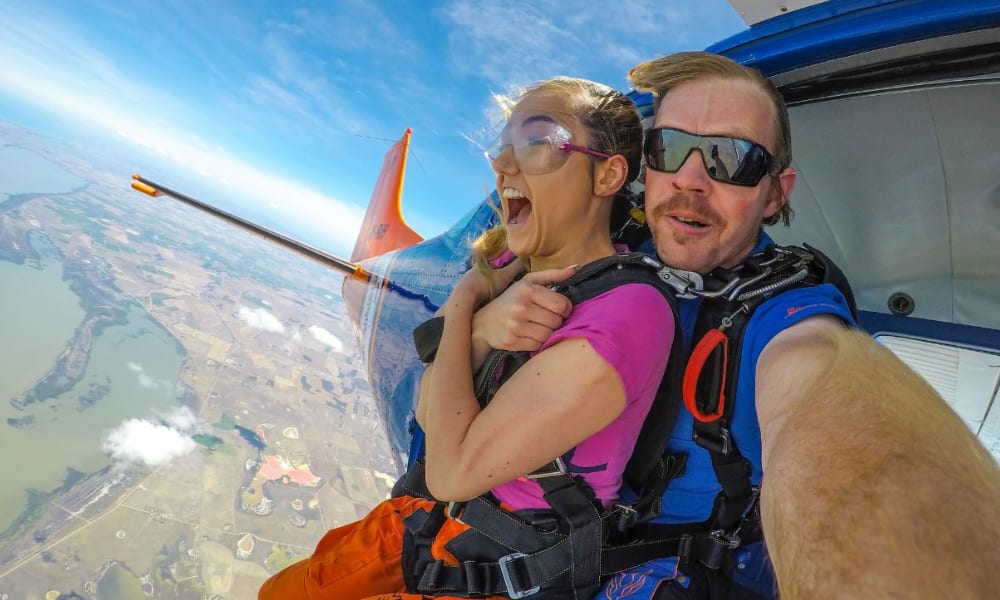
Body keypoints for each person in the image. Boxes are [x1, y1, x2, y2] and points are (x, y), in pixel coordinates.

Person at [469, 52, 1000, 599]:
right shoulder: (593, 247)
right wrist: (481, 327)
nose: (691, 180)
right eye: (668, 148)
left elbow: (824, 397)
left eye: (733, 158)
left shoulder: (785, 309)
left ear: (775, 193)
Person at [258, 77, 678, 599]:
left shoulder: (629, 309)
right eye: (503, 148)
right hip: (434, 531)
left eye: (538, 142)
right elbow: (431, 416)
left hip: (493, 568)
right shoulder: (513, 272)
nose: (503, 165)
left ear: (608, 174)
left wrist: (462, 304)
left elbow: (452, 473)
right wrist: (480, 324)